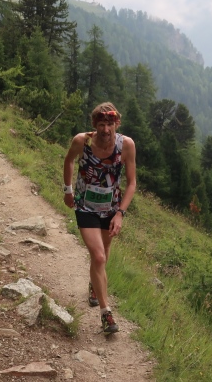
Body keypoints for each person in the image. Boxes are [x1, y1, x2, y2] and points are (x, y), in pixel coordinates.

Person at [63, 102, 136, 334]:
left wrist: (120, 213)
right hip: (85, 206)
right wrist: (68, 190)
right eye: (101, 124)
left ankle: (94, 285)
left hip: (111, 208)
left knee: (104, 251)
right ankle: (106, 313)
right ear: (94, 125)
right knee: (98, 256)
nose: (106, 130)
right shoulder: (82, 141)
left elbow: (132, 183)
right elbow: (69, 160)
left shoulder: (126, 145)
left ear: (117, 124)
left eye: (110, 124)